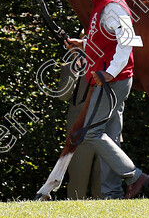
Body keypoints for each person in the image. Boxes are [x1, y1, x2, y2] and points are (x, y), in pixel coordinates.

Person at [65, 0, 149, 199]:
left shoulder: (112, 5)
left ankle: (134, 176)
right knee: (110, 136)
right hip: (113, 77)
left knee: (91, 132)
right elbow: (110, 39)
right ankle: (111, 193)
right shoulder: (104, 3)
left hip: (111, 80)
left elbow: (127, 41)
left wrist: (109, 73)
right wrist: (82, 44)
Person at [58, 56, 103, 199]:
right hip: (80, 132)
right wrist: (75, 69)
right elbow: (63, 96)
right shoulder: (70, 66)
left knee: (106, 189)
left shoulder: (115, 62)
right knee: (78, 186)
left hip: (107, 129)